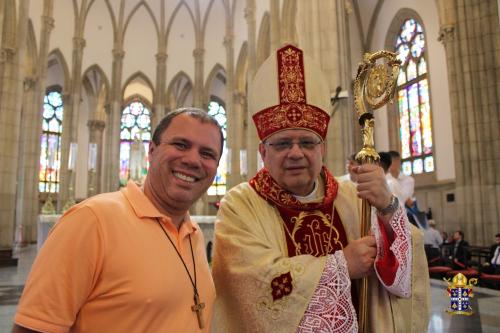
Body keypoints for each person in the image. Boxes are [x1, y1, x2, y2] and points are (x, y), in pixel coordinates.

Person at [212, 44, 429, 332]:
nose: (295, 153)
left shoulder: (354, 196)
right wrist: (341, 266)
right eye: (282, 143)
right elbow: (252, 285)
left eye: (307, 142)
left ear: (322, 148)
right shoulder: (239, 206)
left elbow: (402, 271)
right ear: (264, 152)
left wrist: (388, 207)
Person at [12, 108, 222, 333]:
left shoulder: (194, 233)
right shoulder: (91, 221)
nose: (193, 160)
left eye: (207, 154)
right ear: (151, 151)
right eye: (181, 145)